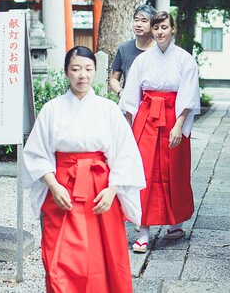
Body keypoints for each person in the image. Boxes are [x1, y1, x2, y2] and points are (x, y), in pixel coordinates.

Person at [22, 46, 145, 293]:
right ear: (66, 72)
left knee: (105, 254)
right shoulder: (52, 109)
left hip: (100, 190)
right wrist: (53, 186)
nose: (82, 75)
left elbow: (125, 153)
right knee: (60, 258)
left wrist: (113, 190)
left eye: (88, 69)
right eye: (75, 69)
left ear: (95, 72)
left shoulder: (108, 109)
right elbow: (36, 153)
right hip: (63, 188)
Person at [119, 11, 201, 252]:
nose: (160, 32)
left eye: (164, 27)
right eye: (156, 28)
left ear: (172, 29)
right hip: (147, 117)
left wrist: (179, 124)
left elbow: (189, 94)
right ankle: (143, 230)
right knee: (143, 172)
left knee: (173, 170)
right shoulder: (143, 60)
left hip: (173, 116)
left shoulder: (184, 59)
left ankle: (175, 223)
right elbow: (131, 95)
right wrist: (127, 128)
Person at [109, 4, 157, 97]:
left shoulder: (160, 50)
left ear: (153, 25)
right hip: (129, 104)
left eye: (144, 21)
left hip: (154, 103)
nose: (138, 24)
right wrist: (120, 91)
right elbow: (114, 78)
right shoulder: (124, 48)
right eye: (136, 20)